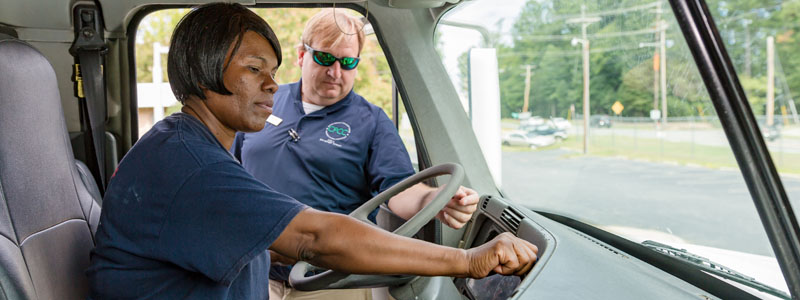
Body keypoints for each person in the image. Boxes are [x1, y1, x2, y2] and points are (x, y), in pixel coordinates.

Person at [86, 3, 537, 299]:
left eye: (272, 70)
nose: (270, 82)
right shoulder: (189, 161)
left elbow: (287, 233)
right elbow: (313, 237)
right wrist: (468, 259)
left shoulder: (189, 143)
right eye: (254, 68)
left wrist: (433, 203)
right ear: (204, 74)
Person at [230, 9, 481, 299]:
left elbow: (399, 190)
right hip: (254, 269)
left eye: (347, 62)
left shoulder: (371, 122)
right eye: (325, 58)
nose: (335, 72)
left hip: (329, 276)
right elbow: (229, 171)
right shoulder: (265, 100)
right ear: (301, 55)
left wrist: (437, 201)